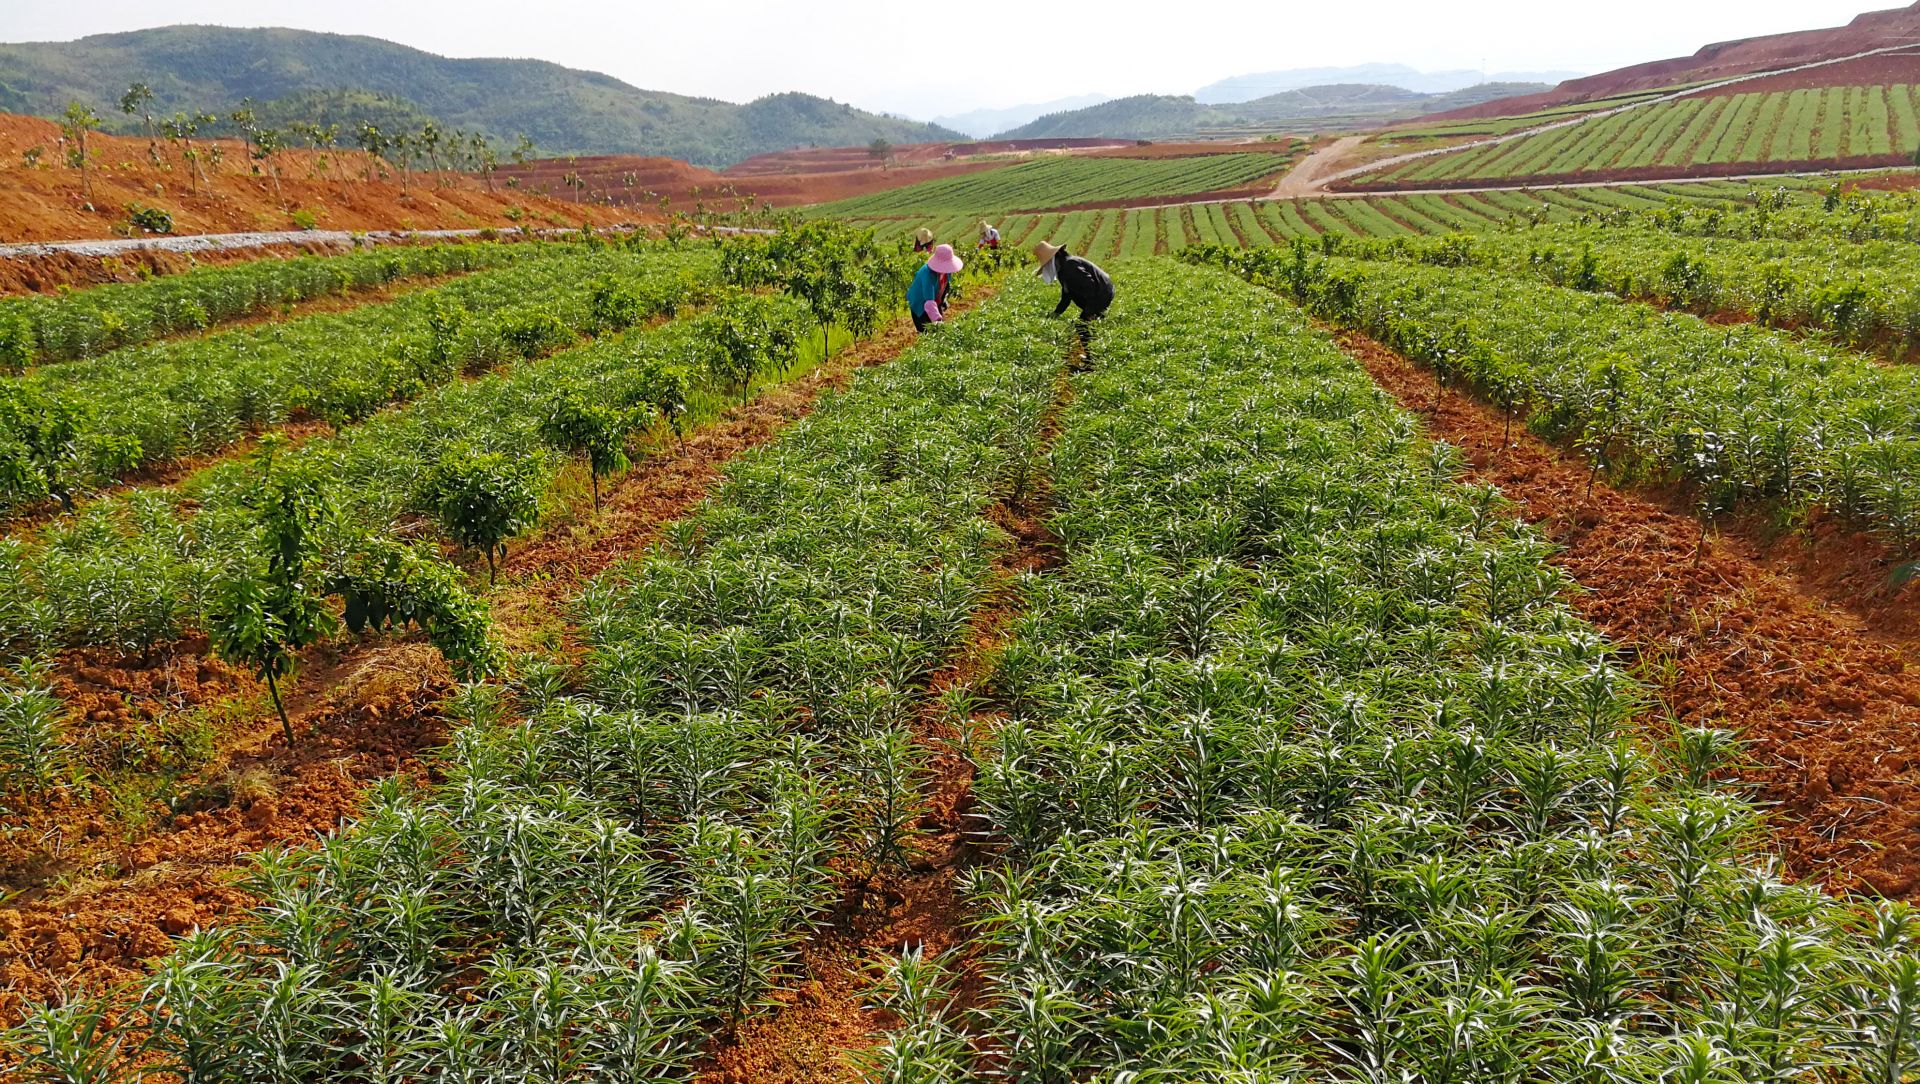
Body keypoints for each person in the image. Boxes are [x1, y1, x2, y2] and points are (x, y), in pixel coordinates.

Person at [1032, 241, 1114, 321]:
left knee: (1083, 327)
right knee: (1085, 323)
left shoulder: (1070, 266)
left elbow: (1090, 285)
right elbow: (1067, 295)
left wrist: (1089, 311)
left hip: (1102, 292)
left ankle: (1096, 317)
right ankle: (1097, 317)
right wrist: (1057, 312)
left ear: (1057, 256)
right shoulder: (1063, 269)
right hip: (1101, 290)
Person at [907, 243, 964, 333]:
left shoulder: (946, 271)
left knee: (940, 331)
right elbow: (929, 302)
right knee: (928, 333)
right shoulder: (927, 274)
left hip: (934, 301)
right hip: (920, 304)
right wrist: (937, 320)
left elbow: (945, 286)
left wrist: (943, 299)